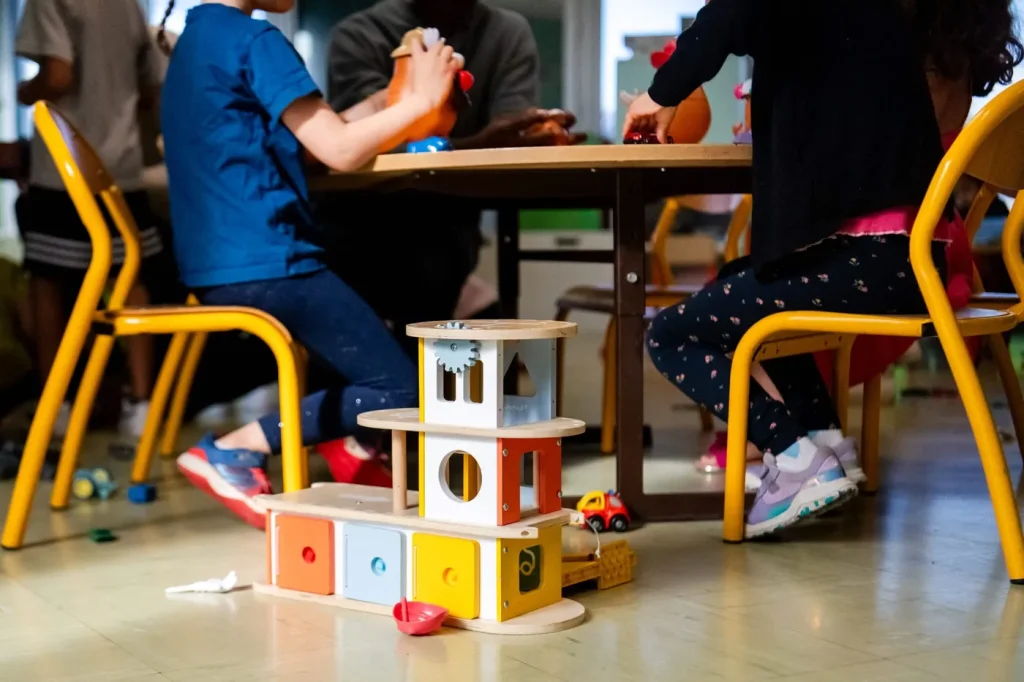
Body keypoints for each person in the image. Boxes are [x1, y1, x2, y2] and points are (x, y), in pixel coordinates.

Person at [629, 0, 1002, 538]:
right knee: (754, 273)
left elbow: (732, 12)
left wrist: (660, 93)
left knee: (670, 334)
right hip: (917, 256)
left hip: (873, 258)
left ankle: (793, 454)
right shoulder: (880, 21)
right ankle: (826, 446)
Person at [158, 0, 461, 528]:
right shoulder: (256, 40)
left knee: (359, 303)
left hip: (223, 262)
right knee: (404, 388)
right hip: (270, 260)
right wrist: (426, 102)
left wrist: (394, 98)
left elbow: (315, 140)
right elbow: (341, 151)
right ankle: (236, 449)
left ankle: (353, 444)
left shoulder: (200, 38)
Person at [324, 0, 584, 358]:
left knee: (437, 261)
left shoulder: (506, 32)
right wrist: (478, 142)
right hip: (363, 221)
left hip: (449, 223)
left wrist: (531, 135)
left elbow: (511, 133)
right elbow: (358, 148)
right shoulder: (359, 35)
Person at [15, 0, 167, 440]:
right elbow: (151, 90)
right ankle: (142, 405)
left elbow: (58, 76)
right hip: (122, 167)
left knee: (49, 286)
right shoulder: (130, 5)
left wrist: (26, 93)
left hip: (63, 173)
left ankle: (57, 406)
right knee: (131, 283)